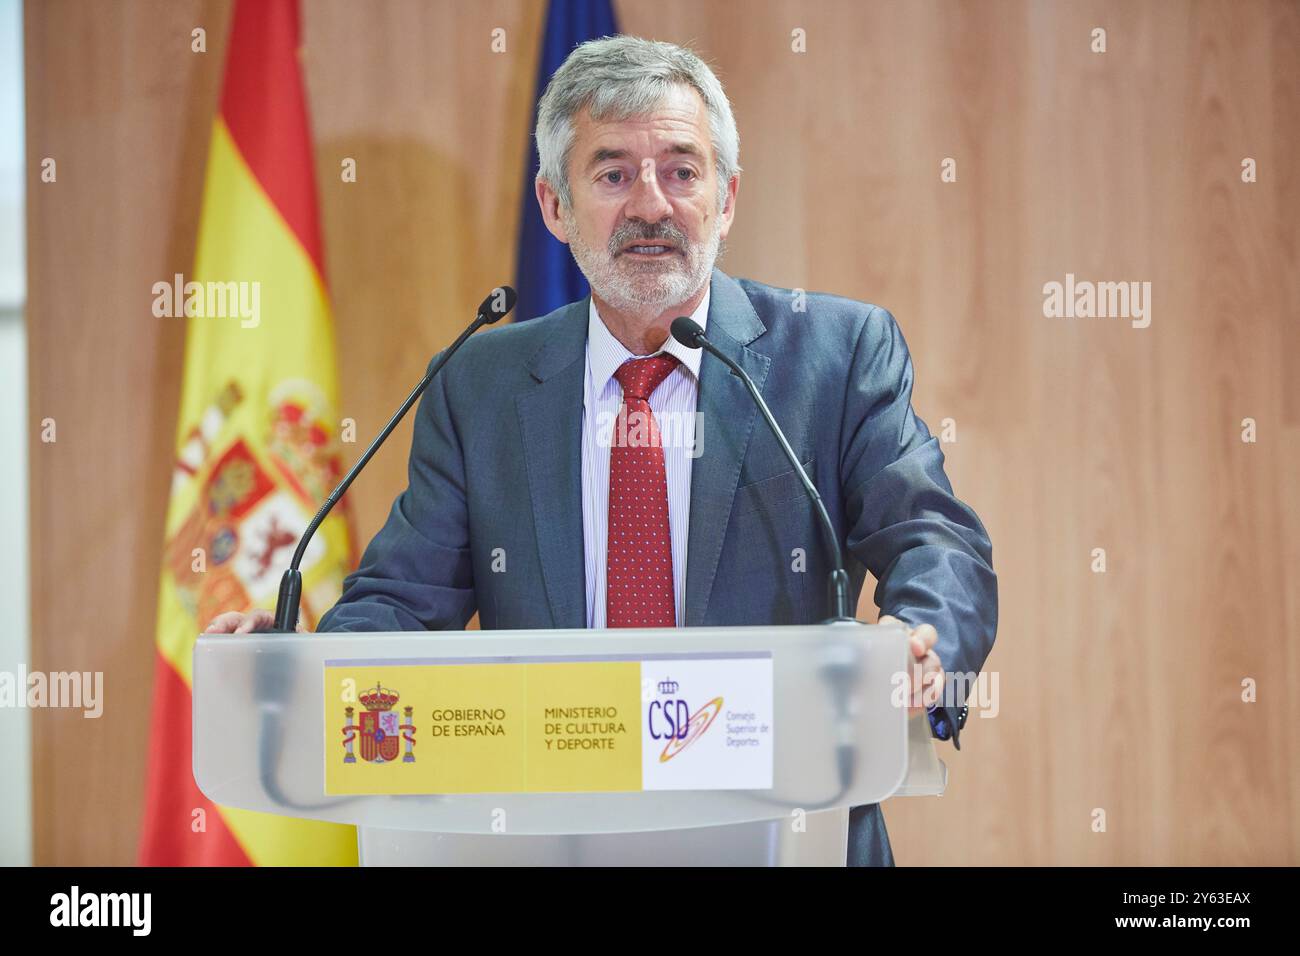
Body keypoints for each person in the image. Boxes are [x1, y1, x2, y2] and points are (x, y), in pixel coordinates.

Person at [207, 36, 998, 866]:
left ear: (727, 199)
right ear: (554, 205)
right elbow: (404, 597)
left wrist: (923, 636)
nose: (651, 204)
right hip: (552, 840)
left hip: (787, 831)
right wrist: (301, 669)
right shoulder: (481, 382)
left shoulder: (833, 356)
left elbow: (934, 539)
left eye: (683, 171)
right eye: (613, 173)